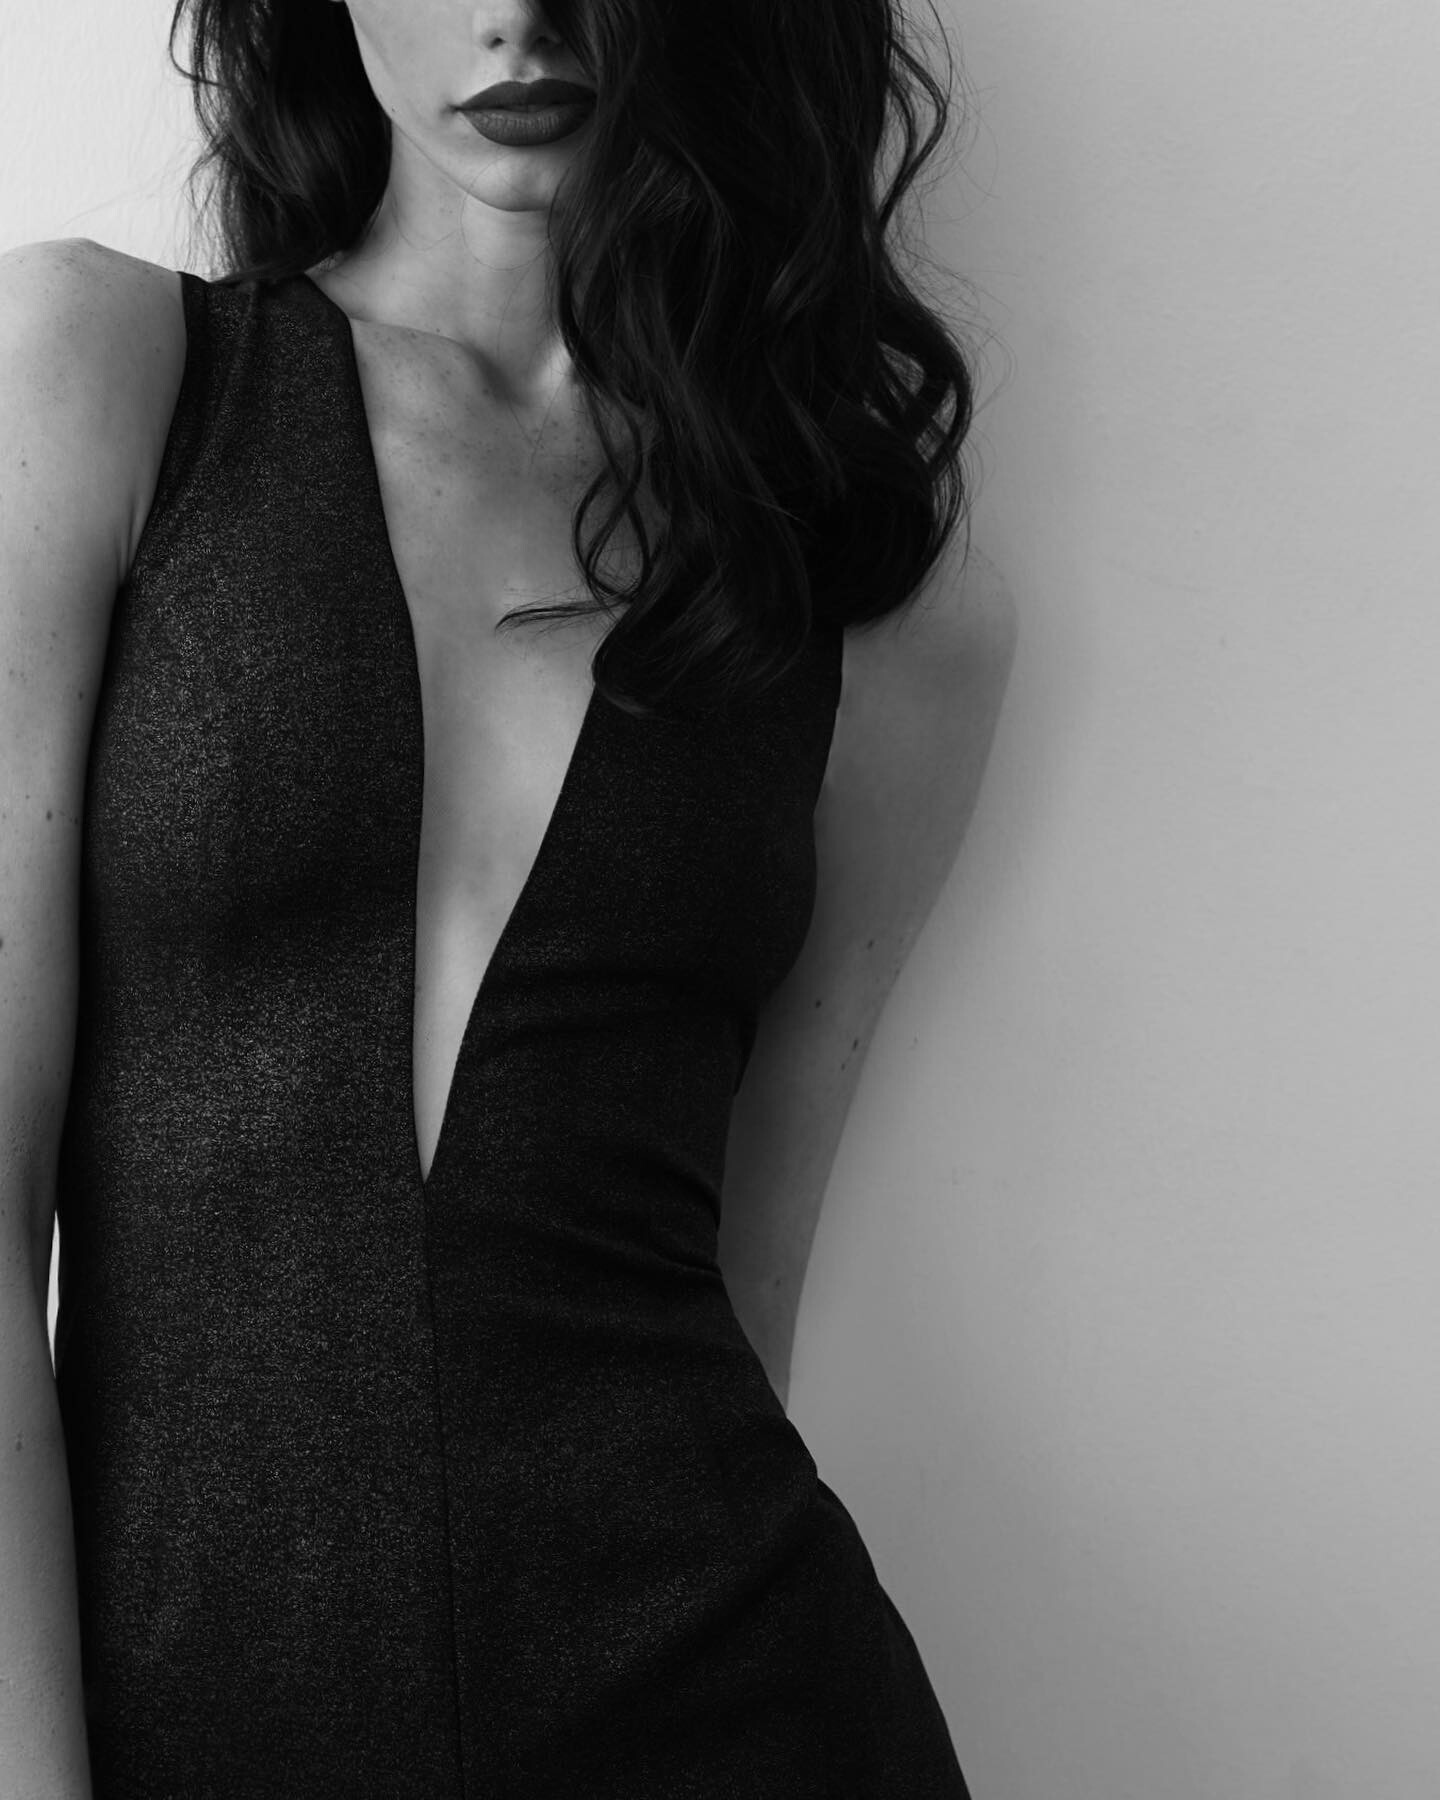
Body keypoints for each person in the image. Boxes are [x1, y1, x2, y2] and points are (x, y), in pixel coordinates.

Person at [0, 0, 1016, 1792]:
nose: (517, 18)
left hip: (737, 1707)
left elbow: (742, 1283)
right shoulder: (97, 372)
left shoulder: (879, 605)